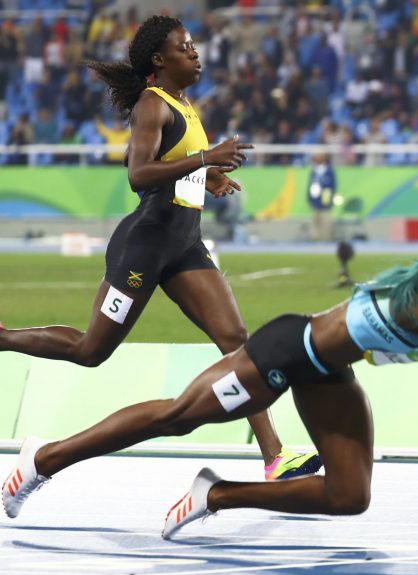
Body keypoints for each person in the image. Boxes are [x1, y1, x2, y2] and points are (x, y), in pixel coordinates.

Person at [3, 232, 418, 538]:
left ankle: (218, 494)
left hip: (326, 373)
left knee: (349, 495)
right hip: (289, 350)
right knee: (177, 416)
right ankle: (44, 458)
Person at [0, 16, 318, 481]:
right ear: (159, 59)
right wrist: (206, 158)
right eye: (185, 47)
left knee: (236, 340)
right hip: (145, 247)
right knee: (91, 350)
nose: (195, 53)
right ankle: (4, 339)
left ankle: (275, 457)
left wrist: (206, 177)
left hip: (184, 243)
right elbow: (138, 175)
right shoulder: (152, 105)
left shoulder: (184, 105)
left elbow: (167, 164)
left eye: (193, 45)